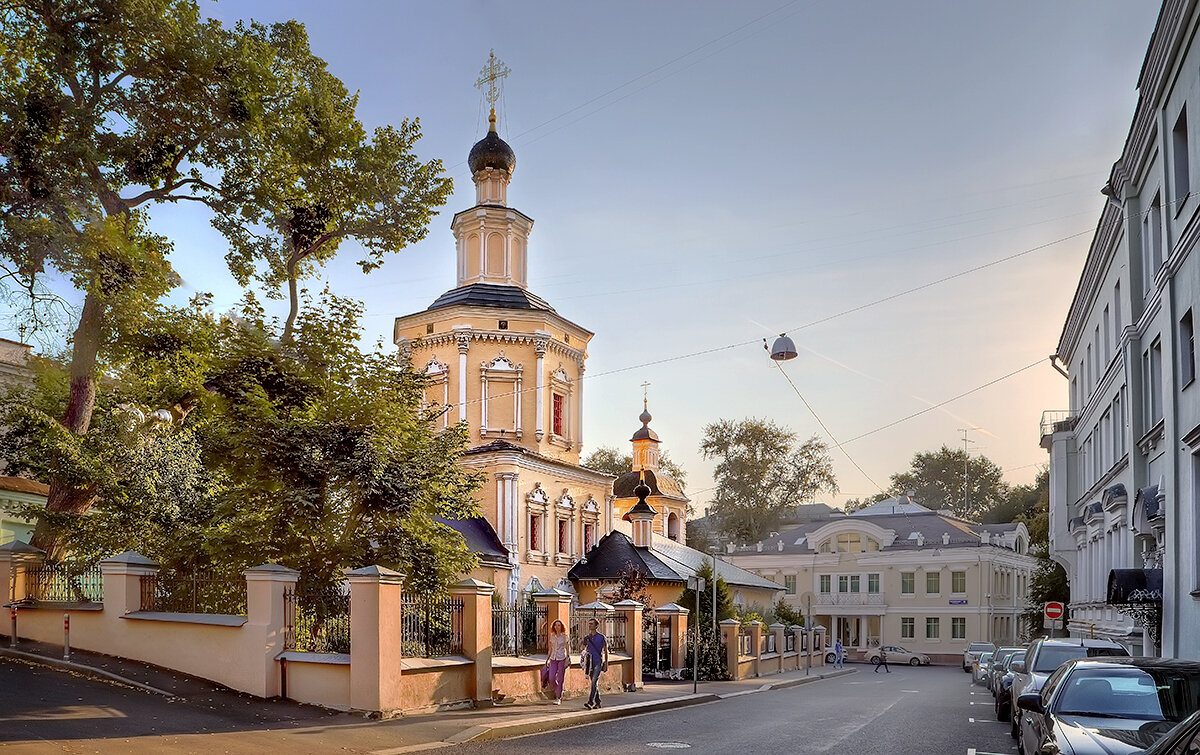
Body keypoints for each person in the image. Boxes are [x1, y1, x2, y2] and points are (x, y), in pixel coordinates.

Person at [582, 618, 608, 709]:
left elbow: (605, 650)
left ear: (596, 626)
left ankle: (590, 702)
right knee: (594, 683)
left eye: (592, 624)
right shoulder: (587, 638)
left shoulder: (601, 637)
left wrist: (606, 663)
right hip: (589, 663)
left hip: (598, 662)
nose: (590, 626)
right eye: (589, 624)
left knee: (594, 681)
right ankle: (598, 702)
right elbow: (584, 650)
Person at [543, 620, 569, 705]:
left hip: (562, 658)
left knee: (560, 678)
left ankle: (558, 697)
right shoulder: (552, 636)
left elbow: (567, 648)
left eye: (559, 625)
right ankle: (559, 690)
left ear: (561, 627)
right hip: (553, 658)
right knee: (551, 678)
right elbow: (550, 648)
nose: (557, 627)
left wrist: (568, 658)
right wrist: (547, 659)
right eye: (555, 625)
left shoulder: (564, 636)